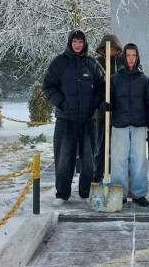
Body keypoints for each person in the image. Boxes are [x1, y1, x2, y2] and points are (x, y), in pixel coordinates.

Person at [42, 29, 104, 206]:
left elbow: (101, 86)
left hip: (87, 119)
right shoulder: (59, 62)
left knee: (89, 160)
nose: (77, 45)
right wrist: (61, 103)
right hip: (66, 119)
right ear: (70, 43)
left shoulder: (91, 63)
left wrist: (95, 104)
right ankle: (62, 194)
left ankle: (85, 192)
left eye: (80, 42)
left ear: (85, 44)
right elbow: (48, 86)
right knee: (64, 158)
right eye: (75, 41)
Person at [105, 43, 149, 207]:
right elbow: (108, 100)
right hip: (119, 124)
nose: (131, 59)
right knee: (118, 161)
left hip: (139, 125)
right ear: (124, 57)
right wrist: (105, 105)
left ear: (137, 57)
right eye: (128, 55)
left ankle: (139, 194)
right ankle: (119, 193)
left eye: (133, 55)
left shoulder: (145, 81)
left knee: (140, 161)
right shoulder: (114, 80)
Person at [93, 34, 123, 183]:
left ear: (117, 49)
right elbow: (93, 88)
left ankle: (120, 179)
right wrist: (100, 104)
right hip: (102, 112)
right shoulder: (96, 63)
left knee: (120, 148)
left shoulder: (122, 63)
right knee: (101, 146)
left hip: (120, 112)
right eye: (107, 48)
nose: (110, 51)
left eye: (113, 49)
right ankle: (97, 176)